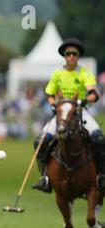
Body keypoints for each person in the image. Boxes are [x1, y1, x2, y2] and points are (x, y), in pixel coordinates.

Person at [32, 38, 103, 193]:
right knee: (40, 142)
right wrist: (52, 104)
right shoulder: (58, 74)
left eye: (74, 54)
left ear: (78, 56)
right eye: (68, 54)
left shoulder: (85, 73)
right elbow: (49, 93)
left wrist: (84, 100)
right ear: (64, 56)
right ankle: (45, 177)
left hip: (79, 110)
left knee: (99, 138)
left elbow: (93, 94)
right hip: (61, 111)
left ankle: (101, 176)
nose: (71, 56)